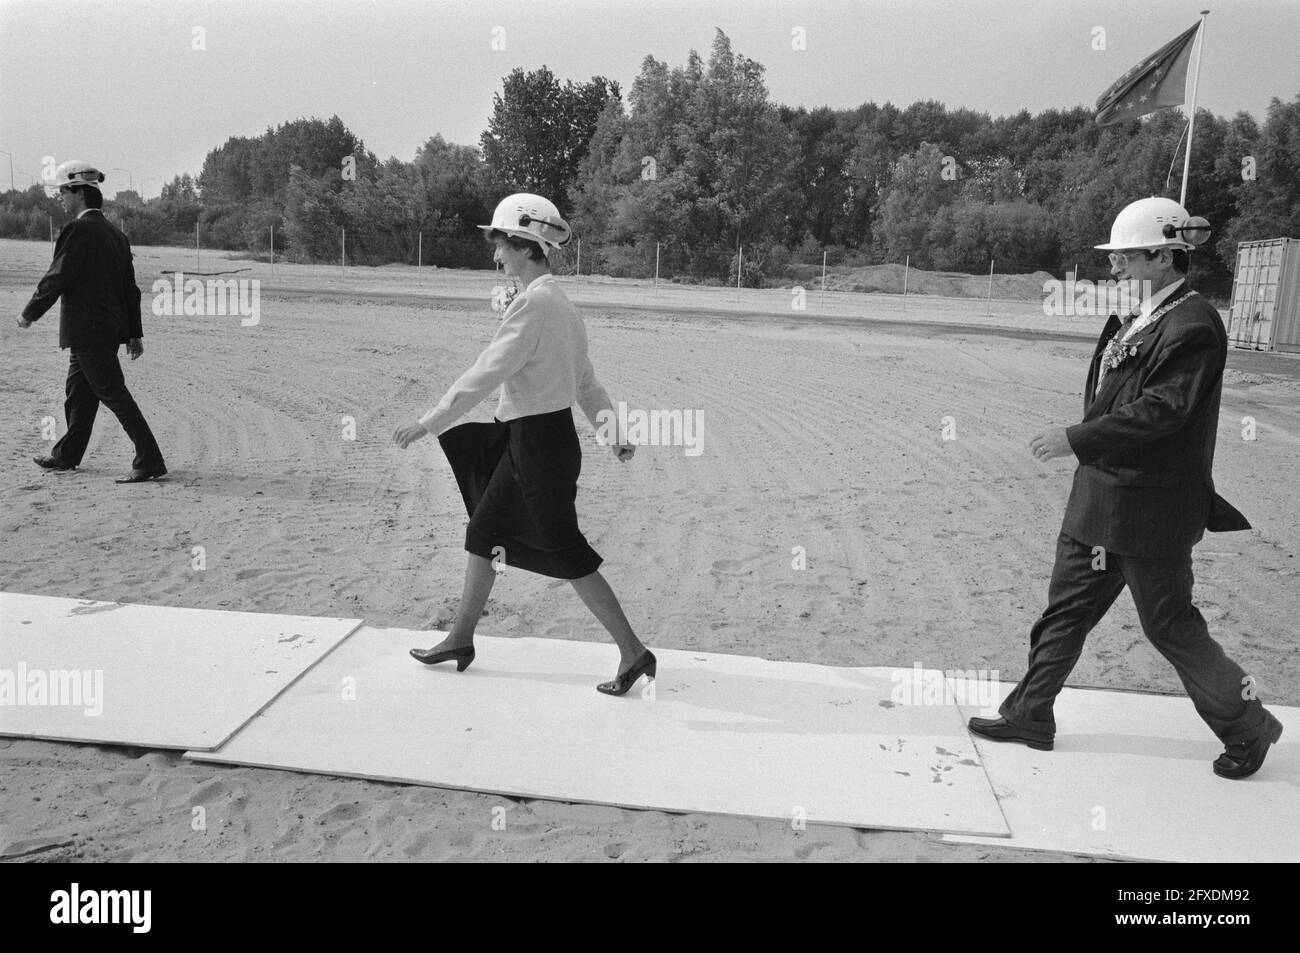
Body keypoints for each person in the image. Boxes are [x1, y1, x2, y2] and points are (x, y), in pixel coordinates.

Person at [969, 197, 1283, 779]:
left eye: (1127, 255)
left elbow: (1163, 410)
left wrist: (1077, 438)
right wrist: (1088, 449)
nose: (1114, 265)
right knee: (1063, 614)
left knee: (1171, 627)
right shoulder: (1146, 315)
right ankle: (1030, 713)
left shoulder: (1193, 324)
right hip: (1099, 501)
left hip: (1150, 511)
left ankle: (1248, 727)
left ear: (1165, 256)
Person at [393, 193, 654, 696]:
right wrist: (612, 432)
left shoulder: (533, 304)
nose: (495, 256)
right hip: (537, 440)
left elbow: (488, 371)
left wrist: (430, 422)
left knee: (566, 552)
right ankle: (460, 638)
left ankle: (634, 653)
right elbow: (587, 384)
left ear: (523, 245)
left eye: (500, 246)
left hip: (537, 446)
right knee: (484, 531)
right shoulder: (562, 305)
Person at [18, 160, 166, 483]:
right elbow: (130, 288)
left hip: (88, 330)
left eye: (64, 192)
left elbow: (59, 275)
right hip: (105, 330)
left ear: (80, 193)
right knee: (78, 392)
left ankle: (149, 458)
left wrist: (31, 311)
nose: (60, 198)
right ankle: (66, 455)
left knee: (112, 392)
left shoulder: (78, 231)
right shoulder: (117, 235)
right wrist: (133, 333)